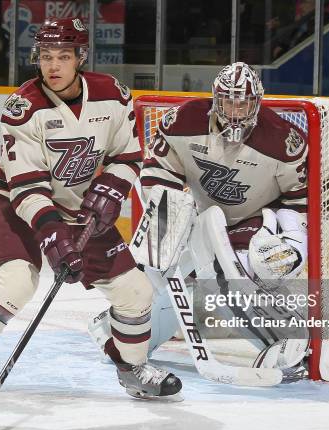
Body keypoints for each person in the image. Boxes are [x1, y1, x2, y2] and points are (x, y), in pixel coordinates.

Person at [0, 17, 182, 422]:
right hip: (16, 206)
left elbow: (128, 155)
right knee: (18, 280)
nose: (52, 66)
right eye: (44, 56)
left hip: (79, 209)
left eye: (62, 56)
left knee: (135, 292)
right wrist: (54, 236)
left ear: (80, 58)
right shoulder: (23, 109)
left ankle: (132, 370)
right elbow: (26, 186)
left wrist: (112, 187)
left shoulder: (113, 95)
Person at [89, 62, 310, 378]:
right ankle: (123, 332)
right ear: (215, 100)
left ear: (257, 102)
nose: (236, 109)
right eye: (229, 100)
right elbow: (158, 167)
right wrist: (174, 208)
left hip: (257, 219)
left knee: (234, 275)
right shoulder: (184, 119)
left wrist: (294, 239)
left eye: (244, 101)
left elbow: (300, 199)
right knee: (155, 261)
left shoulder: (283, 140)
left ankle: (286, 338)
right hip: (201, 213)